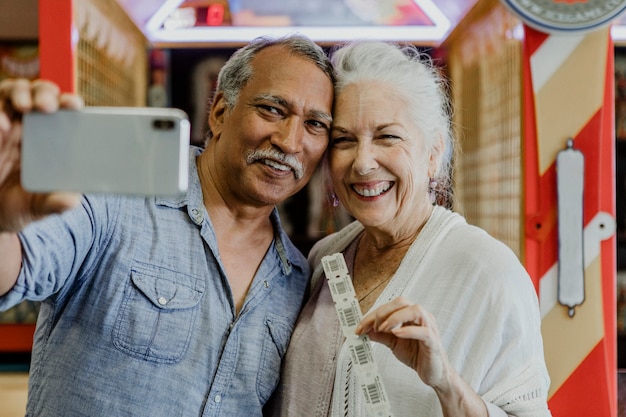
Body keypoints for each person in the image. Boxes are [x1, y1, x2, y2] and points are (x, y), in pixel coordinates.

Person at [0, 35, 334, 417]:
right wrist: (3, 222)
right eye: (273, 109)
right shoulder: (116, 200)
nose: (290, 142)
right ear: (221, 112)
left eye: (314, 124)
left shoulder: (296, 279)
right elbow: (18, 266)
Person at [265, 41, 552, 417]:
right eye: (344, 140)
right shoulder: (325, 258)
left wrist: (446, 382)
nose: (363, 163)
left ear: (433, 153)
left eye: (388, 136)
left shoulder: (490, 272)